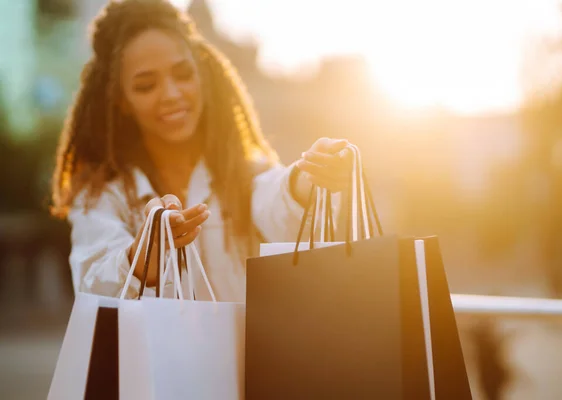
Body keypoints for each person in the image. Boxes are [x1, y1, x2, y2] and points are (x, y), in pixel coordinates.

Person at [51, 0, 354, 302]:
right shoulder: (102, 195)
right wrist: (143, 260)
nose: (171, 94)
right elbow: (92, 284)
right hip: (152, 352)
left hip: (247, 351)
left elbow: (278, 201)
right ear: (121, 101)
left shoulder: (243, 173)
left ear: (202, 75)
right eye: (146, 86)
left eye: (183, 75)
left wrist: (309, 177)